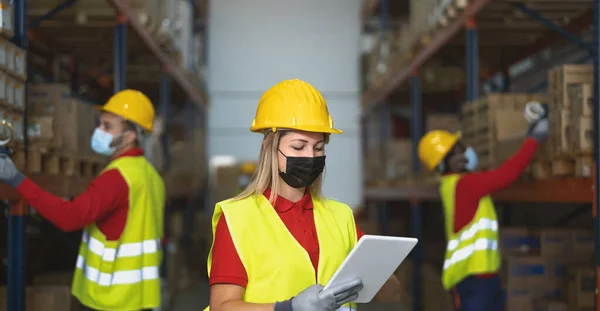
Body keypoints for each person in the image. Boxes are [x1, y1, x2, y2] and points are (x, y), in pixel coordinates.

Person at [206, 79, 401, 311]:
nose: (310, 156)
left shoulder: (340, 216)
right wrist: (287, 308)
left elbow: (392, 294)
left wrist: (378, 276)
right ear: (271, 149)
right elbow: (222, 306)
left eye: (318, 148)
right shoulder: (238, 218)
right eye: (299, 147)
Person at [0, 89, 166, 311]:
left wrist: (18, 180)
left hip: (112, 299)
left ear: (130, 136)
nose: (99, 131)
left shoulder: (117, 177)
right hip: (140, 298)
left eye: (108, 127)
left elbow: (70, 218)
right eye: (100, 124)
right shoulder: (151, 176)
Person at [417, 114, 549, 311]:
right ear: (448, 162)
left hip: (481, 277)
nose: (466, 150)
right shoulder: (465, 185)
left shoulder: (455, 184)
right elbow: (508, 174)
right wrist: (533, 140)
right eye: (458, 149)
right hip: (473, 281)